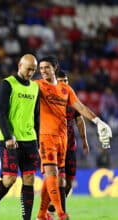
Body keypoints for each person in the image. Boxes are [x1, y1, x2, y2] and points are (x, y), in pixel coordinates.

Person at [36, 55, 112, 220]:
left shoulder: (66, 90)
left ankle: (42, 214)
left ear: (54, 68)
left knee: (56, 177)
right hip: (45, 136)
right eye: (40, 68)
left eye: (46, 68)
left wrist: (98, 121)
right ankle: (61, 213)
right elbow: (20, 88)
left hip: (63, 139)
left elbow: (81, 108)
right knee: (52, 173)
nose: (42, 71)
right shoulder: (37, 86)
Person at [0, 54, 40, 220]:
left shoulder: (35, 88)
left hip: (30, 139)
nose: (30, 72)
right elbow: (0, 112)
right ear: (20, 65)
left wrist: (40, 139)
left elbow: (36, 116)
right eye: (28, 68)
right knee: (9, 179)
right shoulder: (8, 84)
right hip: (10, 140)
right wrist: (8, 136)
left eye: (33, 70)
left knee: (29, 178)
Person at [47, 70, 90, 218]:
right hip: (55, 147)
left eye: (65, 80)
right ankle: (60, 213)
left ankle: (51, 208)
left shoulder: (71, 100)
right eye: (60, 81)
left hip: (70, 146)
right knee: (60, 180)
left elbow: (79, 119)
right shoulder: (49, 100)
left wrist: (84, 140)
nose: (64, 83)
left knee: (69, 184)